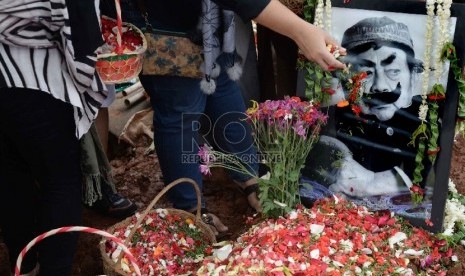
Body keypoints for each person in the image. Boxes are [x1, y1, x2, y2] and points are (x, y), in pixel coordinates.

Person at [116, 0, 345, 235]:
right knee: (181, 113)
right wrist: (301, 30)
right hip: (163, 25)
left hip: (206, 20)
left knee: (224, 91)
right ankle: (190, 211)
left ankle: (248, 178)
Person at [0, 1, 110, 275]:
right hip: (32, 77)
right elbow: (78, 29)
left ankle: (23, 265)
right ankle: (54, 270)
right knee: (60, 181)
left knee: (10, 175)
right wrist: (90, 77)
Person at [304, 16, 427, 199]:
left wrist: (374, 182)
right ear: (346, 82)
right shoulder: (331, 116)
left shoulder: (427, 117)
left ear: (414, 76)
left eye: (393, 71)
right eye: (365, 73)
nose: (380, 86)